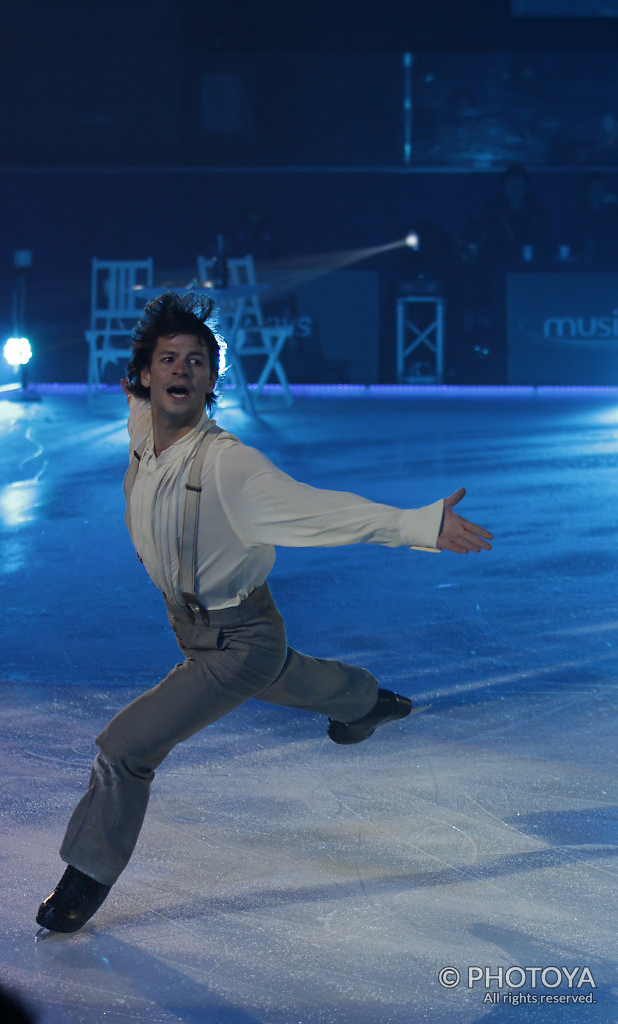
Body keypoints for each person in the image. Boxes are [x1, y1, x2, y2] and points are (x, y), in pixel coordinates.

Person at [36, 292, 493, 935]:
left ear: (211, 380)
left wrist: (417, 523)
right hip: (212, 630)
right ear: (144, 375)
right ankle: (364, 702)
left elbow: (322, 511)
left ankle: (83, 881)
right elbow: (138, 401)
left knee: (125, 748)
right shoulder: (145, 433)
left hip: (236, 639)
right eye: (167, 359)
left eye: (196, 362)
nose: (180, 371)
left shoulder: (229, 467)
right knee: (291, 674)